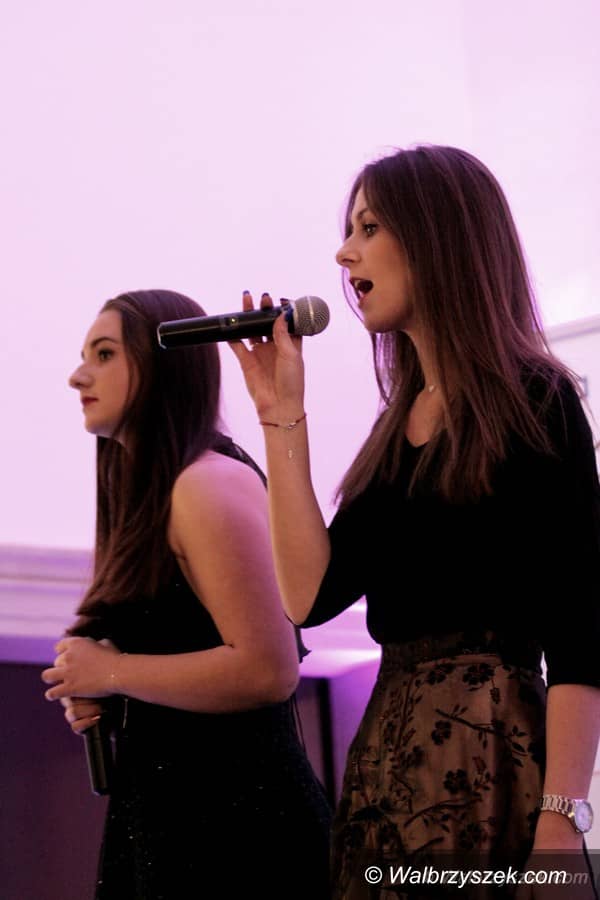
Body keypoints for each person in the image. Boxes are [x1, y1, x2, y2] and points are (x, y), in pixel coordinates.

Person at [230, 146, 600, 898]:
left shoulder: (537, 401)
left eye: (369, 227)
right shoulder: (397, 429)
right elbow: (308, 595)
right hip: (389, 763)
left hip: (486, 757)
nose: (345, 254)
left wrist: (561, 822)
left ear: (437, 236)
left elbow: (581, 632)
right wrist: (280, 415)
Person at [41, 289, 331, 900]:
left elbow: (268, 670)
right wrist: (106, 689)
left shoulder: (206, 486)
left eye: (104, 354)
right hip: (173, 819)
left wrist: (113, 672)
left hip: (236, 831)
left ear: (163, 363)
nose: (78, 376)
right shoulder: (155, 494)